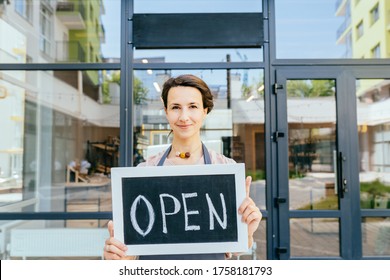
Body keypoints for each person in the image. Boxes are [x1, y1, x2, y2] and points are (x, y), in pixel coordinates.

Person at [104, 74, 262, 260]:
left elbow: (237, 249)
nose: (184, 116)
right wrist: (118, 256)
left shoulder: (225, 168)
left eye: (193, 107)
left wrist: (247, 232)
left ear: (205, 111)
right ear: (166, 112)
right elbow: (131, 256)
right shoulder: (145, 171)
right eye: (175, 107)